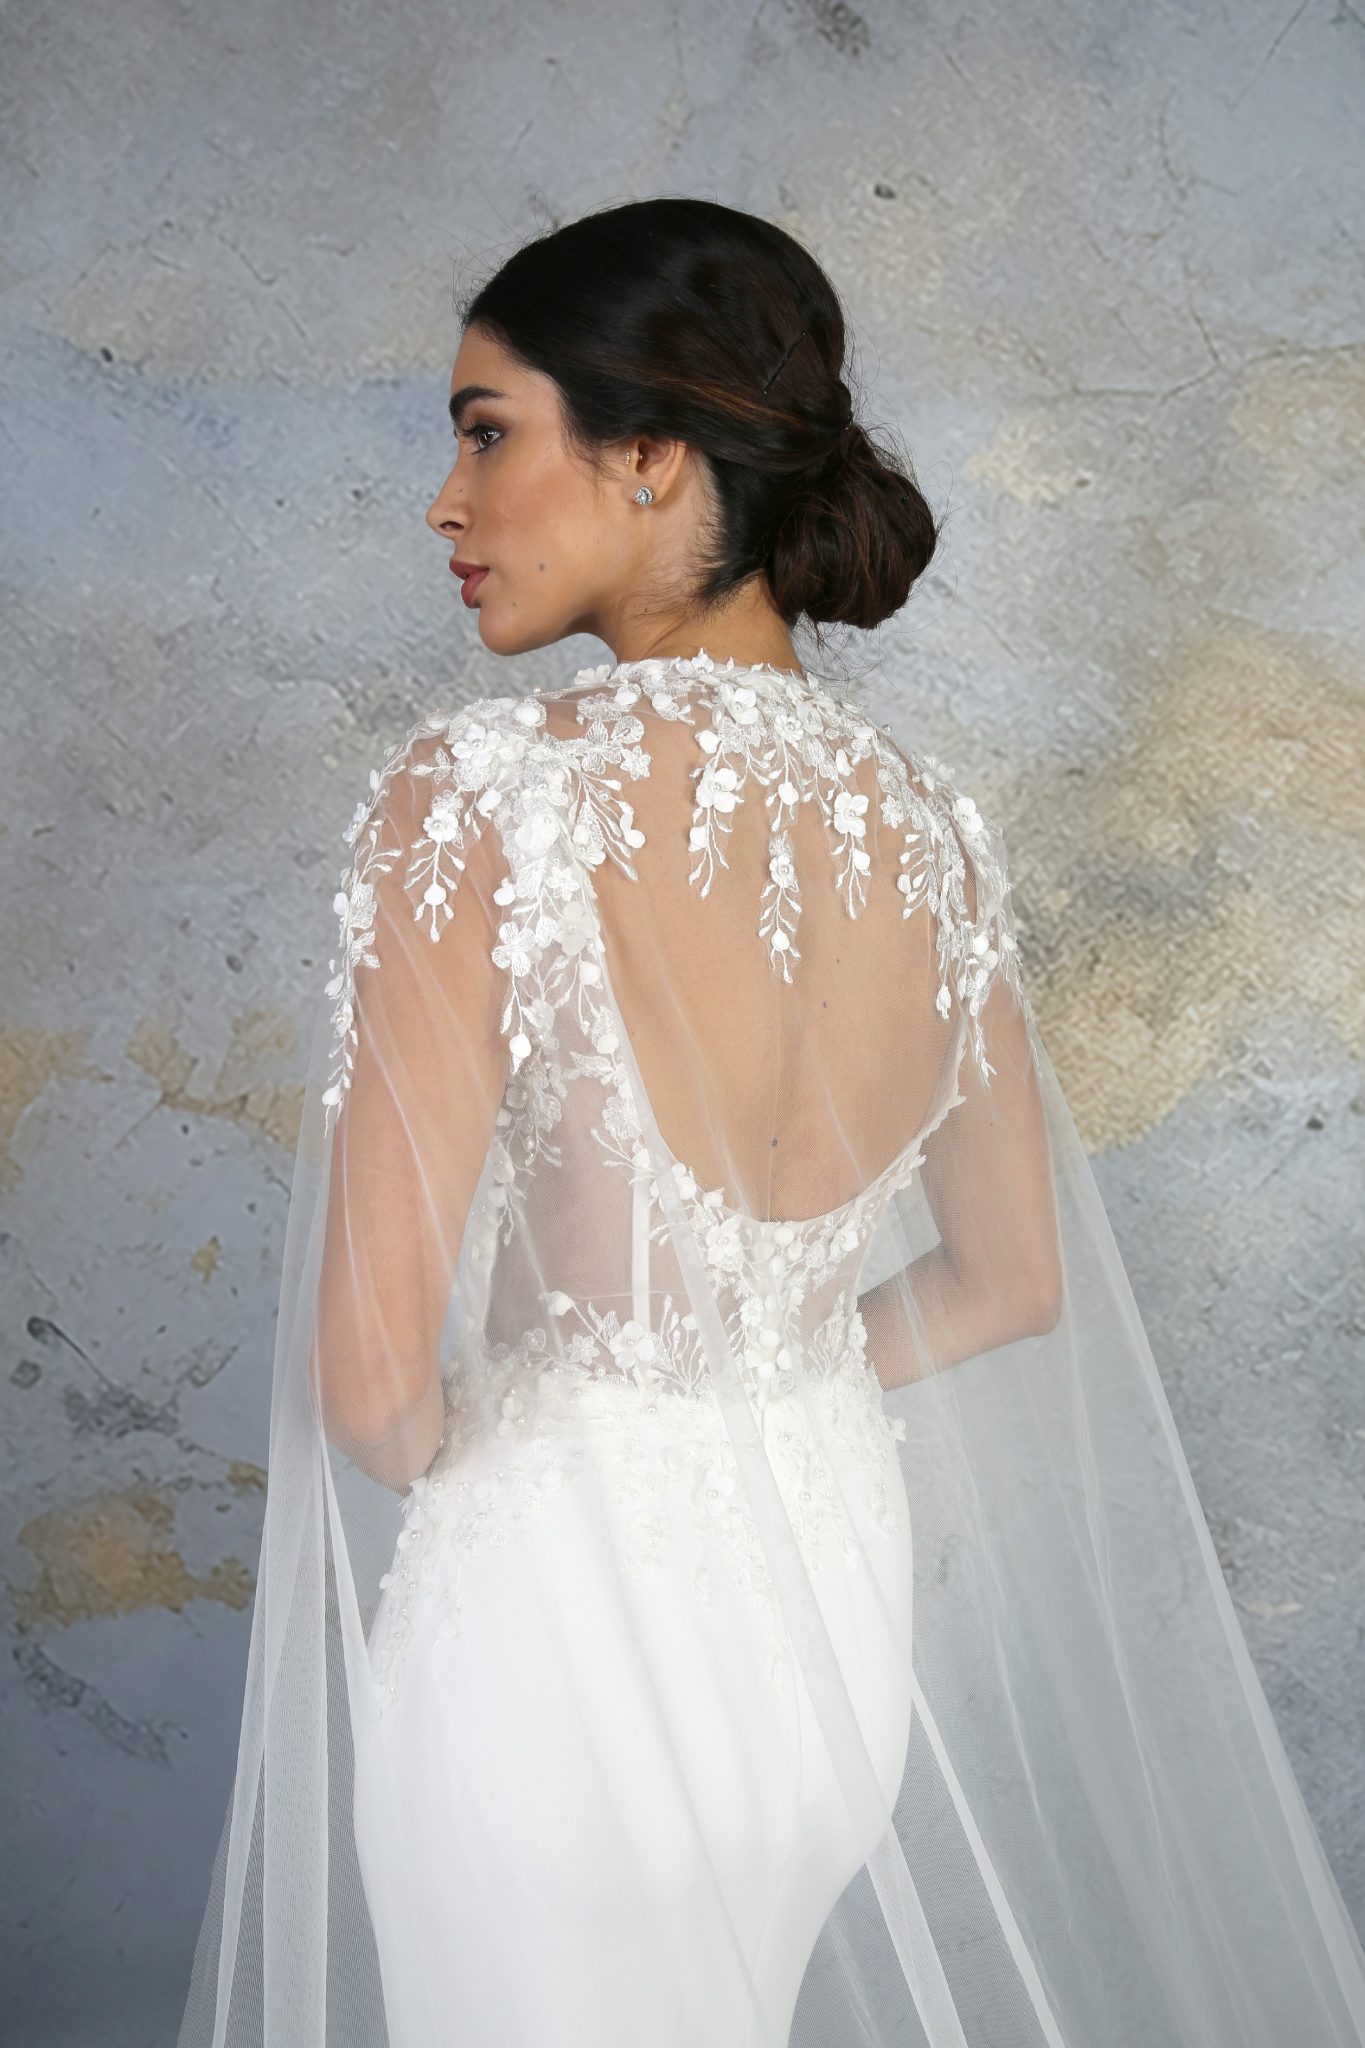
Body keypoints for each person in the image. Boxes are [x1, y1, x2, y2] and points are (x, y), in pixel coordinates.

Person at [176, 198, 1365, 2047]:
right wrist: (751, 1379)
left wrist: (573, 1436)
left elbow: (371, 1386)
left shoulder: (479, 796)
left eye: (487, 433)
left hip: (554, 1671)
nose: (444, 502)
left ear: (650, 455)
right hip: (818, 1661)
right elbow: (1006, 1281)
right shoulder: (928, 829)